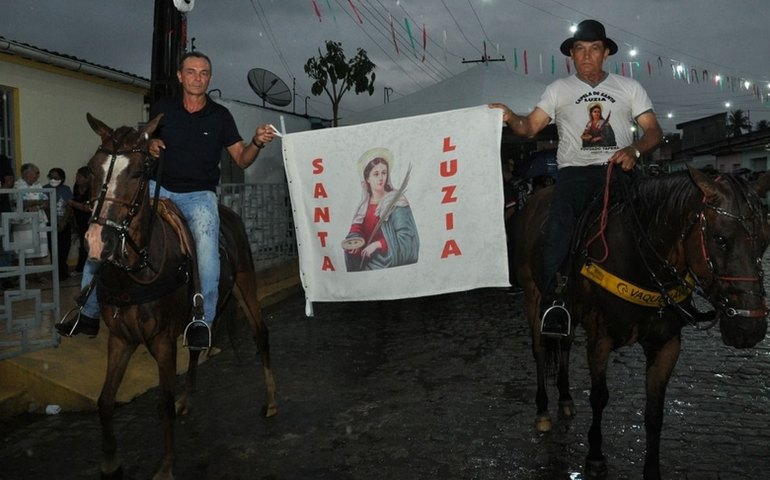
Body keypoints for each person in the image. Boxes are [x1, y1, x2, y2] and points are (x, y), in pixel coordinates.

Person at [57, 51, 276, 347]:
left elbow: (242, 159)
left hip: (199, 195)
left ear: (209, 78)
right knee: (105, 233)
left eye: (204, 72)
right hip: (157, 189)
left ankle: (203, 320)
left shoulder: (220, 116)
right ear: (180, 76)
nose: (198, 77)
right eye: (191, 71)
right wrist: (153, 144)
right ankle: (88, 312)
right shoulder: (164, 109)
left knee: (208, 251)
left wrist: (256, 143)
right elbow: (145, 143)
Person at [489, 19, 663, 336]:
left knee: (652, 221)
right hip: (575, 174)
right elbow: (529, 128)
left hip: (620, 170)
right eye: (579, 49)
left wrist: (635, 150)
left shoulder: (629, 88)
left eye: (593, 49)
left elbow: (653, 131)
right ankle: (555, 303)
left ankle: (662, 293)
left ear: (606, 53)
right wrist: (511, 116)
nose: (585, 56)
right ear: (571, 55)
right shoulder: (558, 90)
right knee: (558, 225)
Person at [342, 148, 419, 272]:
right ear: (367, 178)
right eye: (376, 174)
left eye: (384, 173)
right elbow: (356, 231)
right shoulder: (363, 205)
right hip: (365, 263)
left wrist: (378, 245)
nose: (381, 178)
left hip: (390, 263)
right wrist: (355, 244)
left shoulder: (396, 201)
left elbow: (407, 237)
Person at [14, 163, 50, 275]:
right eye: (36, 172)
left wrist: (35, 203)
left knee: (39, 248)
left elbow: (46, 202)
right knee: (23, 249)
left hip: (38, 220)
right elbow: (21, 203)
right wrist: (38, 201)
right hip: (24, 222)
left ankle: (38, 275)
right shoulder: (17, 186)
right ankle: (23, 276)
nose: (38, 175)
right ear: (27, 173)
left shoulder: (38, 185)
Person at [44, 168, 73, 281]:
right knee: (53, 249)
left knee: (64, 248)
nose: (53, 180)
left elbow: (69, 207)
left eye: (56, 178)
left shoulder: (66, 189)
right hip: (51, 224)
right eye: (51, 177)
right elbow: (45, 207)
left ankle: (63, 272)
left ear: (62, 179)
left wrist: (64, 222)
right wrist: (54, 221)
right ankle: (56, 273)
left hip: (65, 224)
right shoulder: (45, 189)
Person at [68, 166, 92, 274]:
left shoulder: (92, 189)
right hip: (79, 220)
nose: (77, 178)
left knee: (87, 245)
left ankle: (83, 268)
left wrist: (73, 204)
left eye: (80, 176)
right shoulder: (76, 187)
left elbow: (89, 208)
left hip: (90, 220)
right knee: (81, 244)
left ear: (87, 178)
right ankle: (81, 267)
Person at [0, 154, 16, 279]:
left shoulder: (2, 159)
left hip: (2, 209)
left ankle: (6, 278)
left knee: (5, 245)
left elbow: (9, 180)